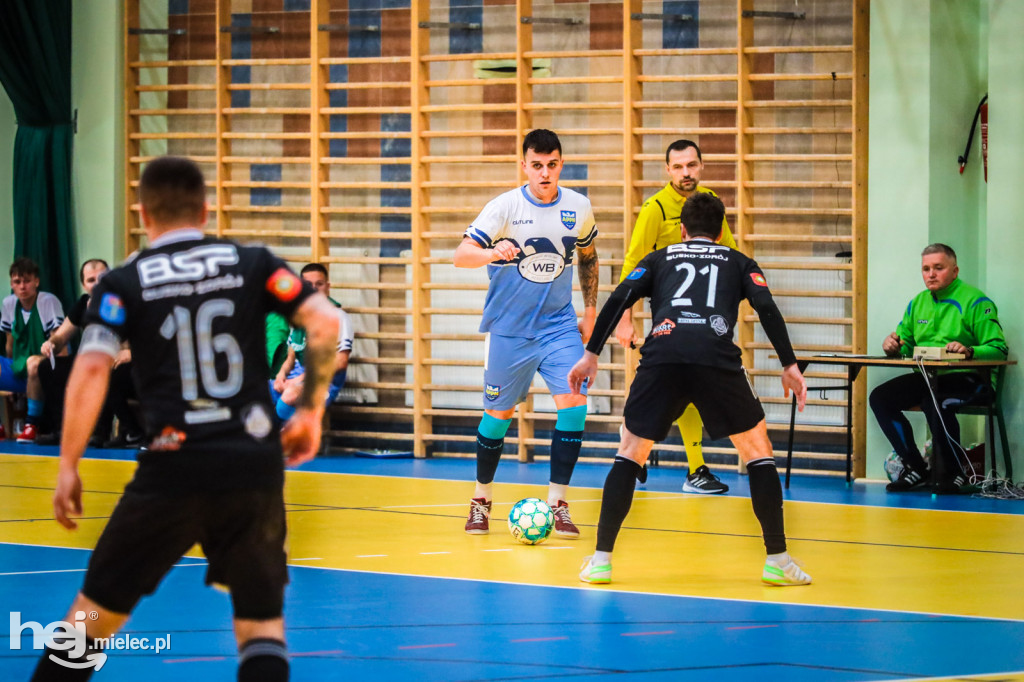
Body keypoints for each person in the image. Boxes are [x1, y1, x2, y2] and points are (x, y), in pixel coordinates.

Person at [34, 156, 340, 682]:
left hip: (171, 467)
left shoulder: (121, 284)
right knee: (262, 628)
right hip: (252, 465)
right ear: (204, 209)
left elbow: (89, 369)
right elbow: (325, 319)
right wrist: (310, 410)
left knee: (89, 622)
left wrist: (68, 462)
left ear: (143, 214)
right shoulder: (253, 262)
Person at [569, 192, 812, 587]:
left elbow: (618, 299)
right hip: (715, 358)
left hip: (663, 354)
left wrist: (591, 353)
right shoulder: (738, 261)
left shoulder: (659, 257)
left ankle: (600, 561)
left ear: (681, 229)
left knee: (630, 451)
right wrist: (789, 364)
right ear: (721, 231)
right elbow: (766, 306)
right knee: (757, 451)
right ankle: (778, 560)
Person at [454, 128, 599, 538]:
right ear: (524, 166)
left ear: (561, 164)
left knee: (574, 405)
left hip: (558, 326)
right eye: (536, 165)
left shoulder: (578, 206)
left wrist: (589, 311)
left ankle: (557, 503)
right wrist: (490, 252)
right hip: (509, 331)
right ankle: (481, 499)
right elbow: (460, 255)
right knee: (497, 417)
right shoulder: (504, 207)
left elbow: (588, 257)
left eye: (552, 165)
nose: (545, 172)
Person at [616, 139, 736, 495]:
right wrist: (625, 318)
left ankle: (695, 468)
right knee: (655, 389)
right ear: (668, 170)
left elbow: (728, 254)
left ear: (701, 166)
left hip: (706, 319)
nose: (686, 173)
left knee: (690, 391)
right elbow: (632, 264)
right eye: (679, 167)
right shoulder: (655, 209)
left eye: (692, 165)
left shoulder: (710, 204)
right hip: (667, 318)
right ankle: (631, 456)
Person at [871, 243, 1008, 494]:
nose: (931, 274)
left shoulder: (976, 302)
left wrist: (970, 351)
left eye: (938, 268)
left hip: (973, 380)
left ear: (954, 271)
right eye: (926, 269)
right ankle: (917, 468)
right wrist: (893, 346)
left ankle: (957, 473)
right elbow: (905, 344)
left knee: (934, 401)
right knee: (880, 397)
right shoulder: (917, 303)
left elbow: (999, 348)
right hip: (929, 377)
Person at [270, 263, 353, 421]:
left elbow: (341, 362)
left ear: (327, 287)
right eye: (308, 285)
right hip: (298, 377)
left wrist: (297, 380)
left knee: (291, 394)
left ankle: (274, 437)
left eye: (319, 284)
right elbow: (290, 356)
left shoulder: (338, 317)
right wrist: (281, 375)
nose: (314, 289)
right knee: (253, 390)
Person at [0, 257, 65, 442]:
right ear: (11, 284)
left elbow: (60, 344)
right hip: (21, 367)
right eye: (17, 282)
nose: (22, 286)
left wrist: (60, 377)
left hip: (46, 369)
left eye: (27, 281)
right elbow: (9, 344)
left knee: (32, 362)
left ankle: (31, 424)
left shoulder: (48, 301)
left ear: (36, 281)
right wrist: (10, 370)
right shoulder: (8, 304)